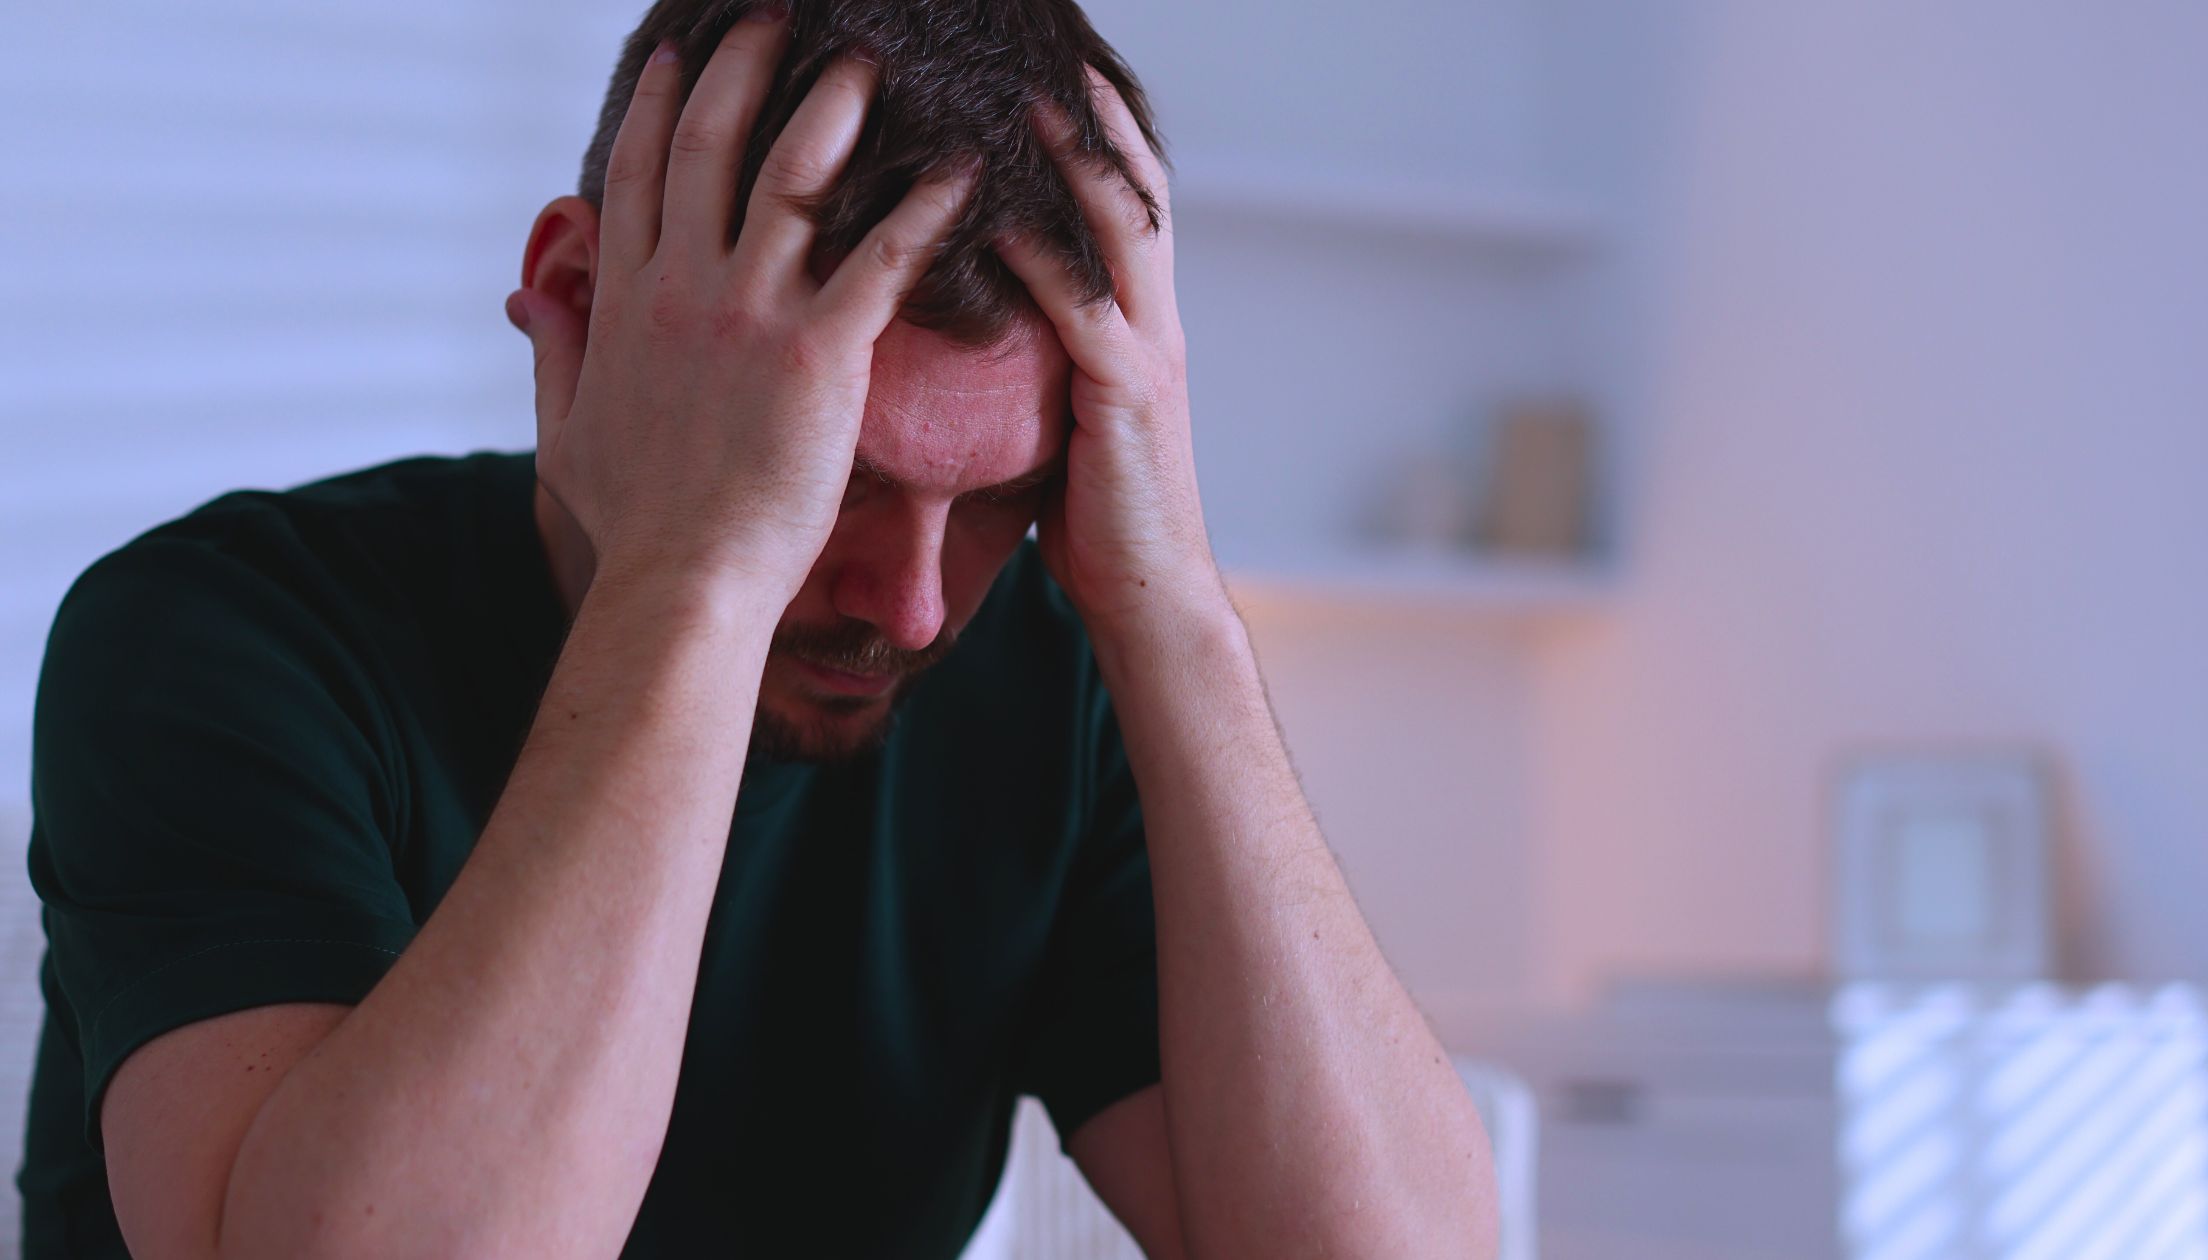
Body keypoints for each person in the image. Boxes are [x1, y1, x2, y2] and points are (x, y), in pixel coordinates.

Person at [16, 1, 1503, 1255]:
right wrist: (696, 579)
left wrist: (1175, 612)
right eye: (831, 475)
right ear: (577, 304)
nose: (911, 605)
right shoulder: (218, 634)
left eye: (1007, 496)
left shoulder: (1050, 683)